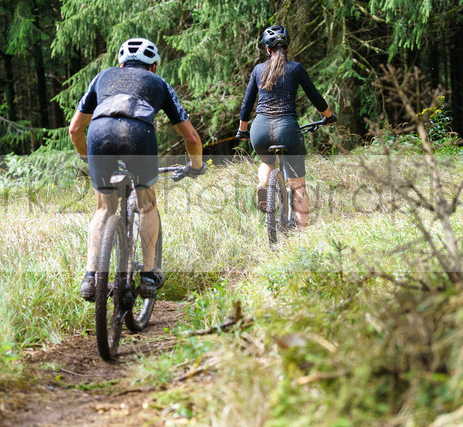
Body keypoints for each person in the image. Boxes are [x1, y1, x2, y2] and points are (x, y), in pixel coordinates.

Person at [69, 38, 206, 301]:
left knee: (103, 208)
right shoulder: (158, 83)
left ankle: (90, 277)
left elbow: (74, 130)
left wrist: (88, 156)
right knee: (147, 205)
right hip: (138, 133)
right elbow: (191, 137)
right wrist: (195, 166)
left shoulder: (102, 77)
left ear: (121, 65)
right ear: (153, 67)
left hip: (99, 132)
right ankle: (148, 276)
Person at [236, 25, 336, 228]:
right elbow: (315, 96)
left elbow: (246, 105)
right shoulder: (296, 68)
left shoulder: (257, 70)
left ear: (267, 49)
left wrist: (242, 130)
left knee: (267, 162)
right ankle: (302, 234)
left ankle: (264, 185)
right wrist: (329, 116)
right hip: (287, 128)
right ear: (288, 47)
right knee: (298, 186)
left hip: (260, 129)